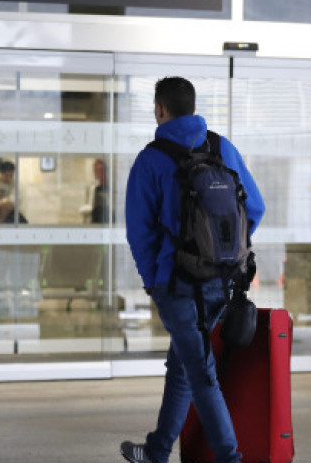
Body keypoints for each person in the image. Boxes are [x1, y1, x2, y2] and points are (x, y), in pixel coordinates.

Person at [120, 77, 265, 463]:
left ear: (159, 109)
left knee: (201, 375)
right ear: (194, 106)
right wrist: (226, 252)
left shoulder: (151, 159)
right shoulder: (222, 148)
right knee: (184, 366)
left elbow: (140, 233)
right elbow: (256, 208)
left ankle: (230, 459)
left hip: (177, 284)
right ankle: (156, 451)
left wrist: (154, 282)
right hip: (222, 280)